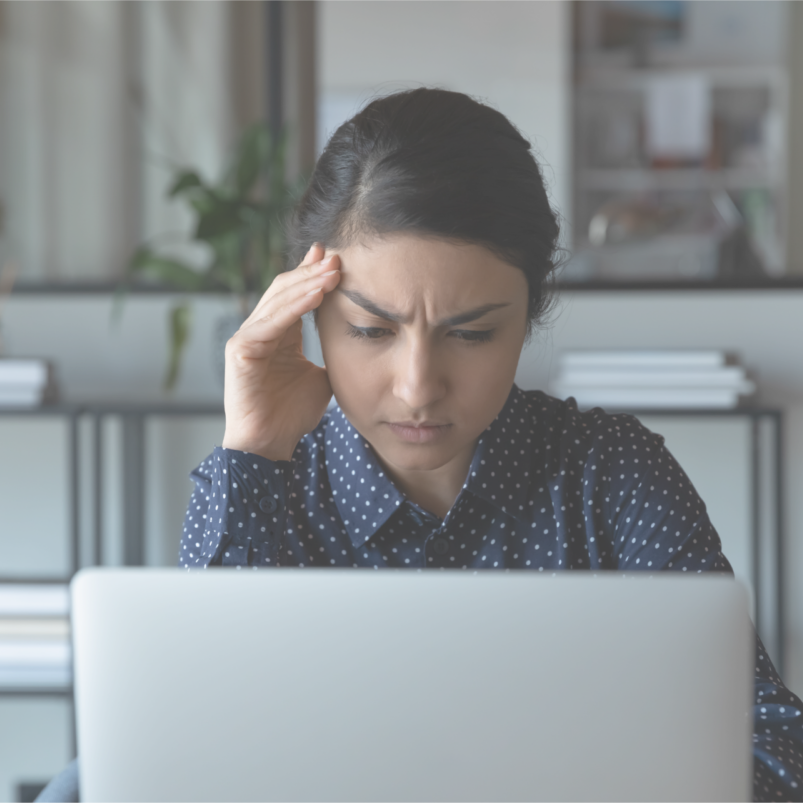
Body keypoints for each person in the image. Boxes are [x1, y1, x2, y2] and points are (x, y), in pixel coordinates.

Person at [38, 88, 803, 802]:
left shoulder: (608, 475)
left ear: (528, 314)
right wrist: (254, 450)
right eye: (369, 330)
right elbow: (186, 754)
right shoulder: (265, 479)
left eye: (469, 333)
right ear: (309, 311)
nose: (416, 386)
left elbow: (773, 748)